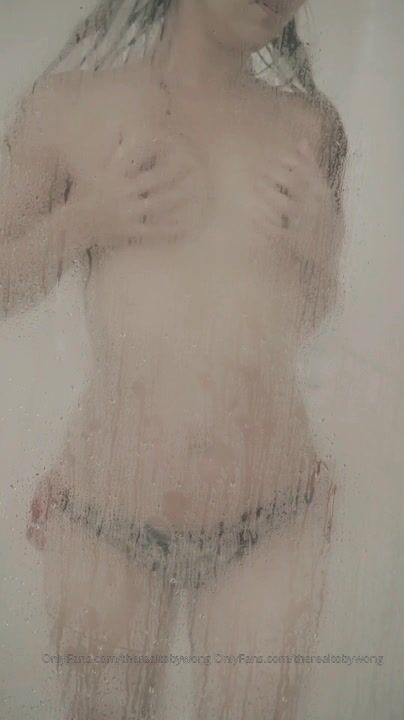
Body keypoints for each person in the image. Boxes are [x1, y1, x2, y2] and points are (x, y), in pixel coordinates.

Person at [0, 0, 347, 717]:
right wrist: (84, 219)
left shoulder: (311, 126)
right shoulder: (65, 109)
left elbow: (296, 319)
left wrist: (322, 252)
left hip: (273, 515)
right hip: (105, 519)